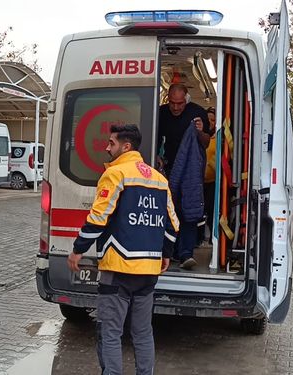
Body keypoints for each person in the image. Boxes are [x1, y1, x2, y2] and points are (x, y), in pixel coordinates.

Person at [68, 124, 179, 375]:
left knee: (110, 333)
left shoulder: (115, 174)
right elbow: (173, 223)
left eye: (111, 143)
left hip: (118, 269)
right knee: (142, 333)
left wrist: (78, 249)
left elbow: (99, 218)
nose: (107, 148)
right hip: (148, 272)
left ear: (126, 146)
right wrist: (165, 254)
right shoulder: (160, 180)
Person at [158, 83, 210, 269]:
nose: (175, 107)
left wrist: (200, 131)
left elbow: (206, 142)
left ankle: (186, 254)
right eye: (172, 103)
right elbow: (154, 138)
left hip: (191, 171)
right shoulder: (161, 113)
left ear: (186, 99)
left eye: (179, 103)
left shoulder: (197, 113)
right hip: (168, 168)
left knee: (189, 209)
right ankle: (168, 251)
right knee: (169, 210)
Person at [198, 107, 217, 245]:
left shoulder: (219, 139)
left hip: (213, 181)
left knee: (210, 208)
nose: (210, 122)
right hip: (198, 180)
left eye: (213, 120)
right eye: (208, 120)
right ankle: (197, 239)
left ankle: (212, 238)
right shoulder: (199, 136)